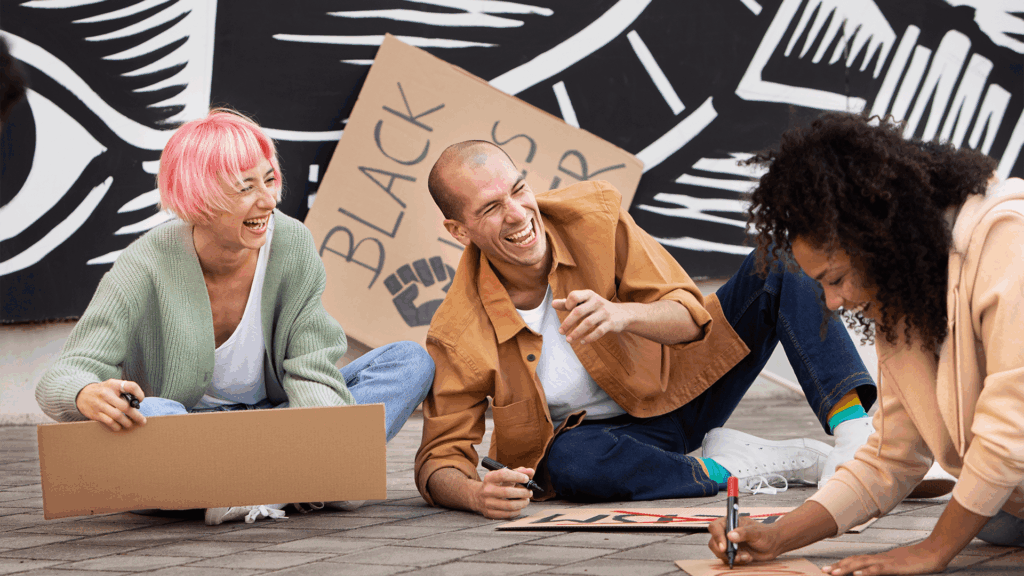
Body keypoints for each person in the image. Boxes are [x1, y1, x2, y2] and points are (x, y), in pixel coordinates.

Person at [413, 140, 879, 519]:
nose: (517, 213)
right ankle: (727, 467)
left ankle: (857, 440)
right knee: (570, 464)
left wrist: (623, 315)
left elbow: (690, 315)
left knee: (780, 260)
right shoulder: (457, 332)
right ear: (458, 231)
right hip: (613, 444)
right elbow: (439, 459)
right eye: (491, 208)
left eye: (518, 189)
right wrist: (476, 496)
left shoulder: (593, 219)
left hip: (688, 383)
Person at [35, 109, 434, 525]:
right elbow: (62, 375)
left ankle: (238, 490)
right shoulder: (146, 263)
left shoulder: (292, 243)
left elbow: (311, 365)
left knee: (409, 361)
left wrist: (329, 446)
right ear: (199, 199)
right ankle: (292, 489)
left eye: (269, 179)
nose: (268, 200)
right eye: (246, 188)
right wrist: (86, 394)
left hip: (279, 420)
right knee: (151, 411)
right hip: (189, 431)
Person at [706, 112, 1024, 575]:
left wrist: (933, 549)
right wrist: (780, 535)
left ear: (878, 237)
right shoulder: (904, 292)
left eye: (835, 279)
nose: (833, 303)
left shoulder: (1005, 236)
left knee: (987, 500)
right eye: (822, 287)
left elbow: (1012, 423)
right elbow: (890, 457)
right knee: (990, 510)